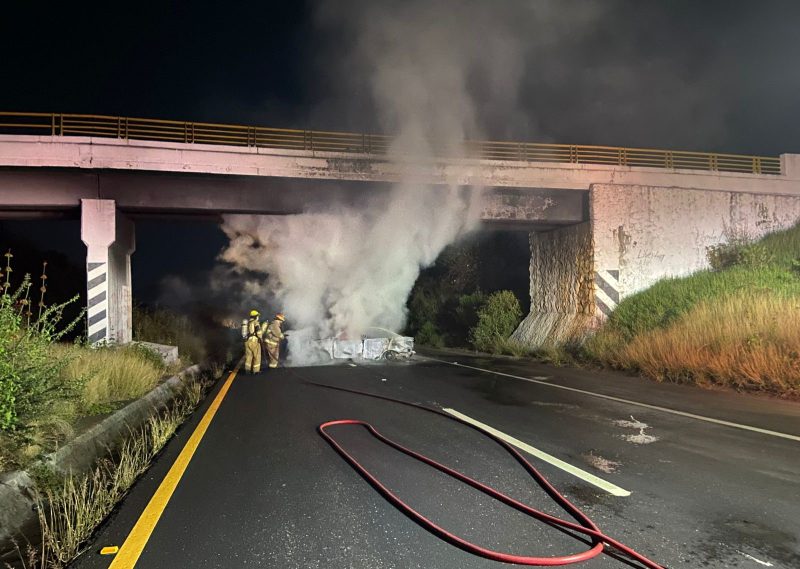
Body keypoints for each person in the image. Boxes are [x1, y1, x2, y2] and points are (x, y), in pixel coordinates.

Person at [243, 309, 263, 374]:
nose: (258, 317)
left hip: (247, 341)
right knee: (257, 356)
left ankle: (247, 370)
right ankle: (256, 371)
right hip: (254, 341)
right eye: (257, 316)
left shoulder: (247, 323)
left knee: (248, 356)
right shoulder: (255, 322)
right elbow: (258, 332)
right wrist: (260, 338)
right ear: (255, 316)